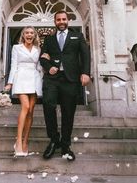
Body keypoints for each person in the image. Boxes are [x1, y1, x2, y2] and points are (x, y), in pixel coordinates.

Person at [40, 10, 91, 161]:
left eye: (63, 19)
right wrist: (49, 67)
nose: (61, 22)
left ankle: (65, 145)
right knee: (48, 105)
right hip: (52, 78)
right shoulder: (49, 39)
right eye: (58, 20)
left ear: (68, 20)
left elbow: (85, 54)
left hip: (70, 79)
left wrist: (86, 72)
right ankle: (54, 140)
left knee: (68, 112)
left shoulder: (77, 35)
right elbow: (42, 57)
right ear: (54, 22)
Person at [4, 26, 42, 157]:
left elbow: (38, 66)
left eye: (32, 33)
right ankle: (18, 141)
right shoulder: (16, 47)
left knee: (30, 111)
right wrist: (10, 83)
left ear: (34, 35)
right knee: (25, 107)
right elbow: (13, 65)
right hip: (21, 78)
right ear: (23, 35)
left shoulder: (38, 49)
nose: (29, 35)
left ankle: (26, 141)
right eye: (27, 33)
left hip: (34, 79)